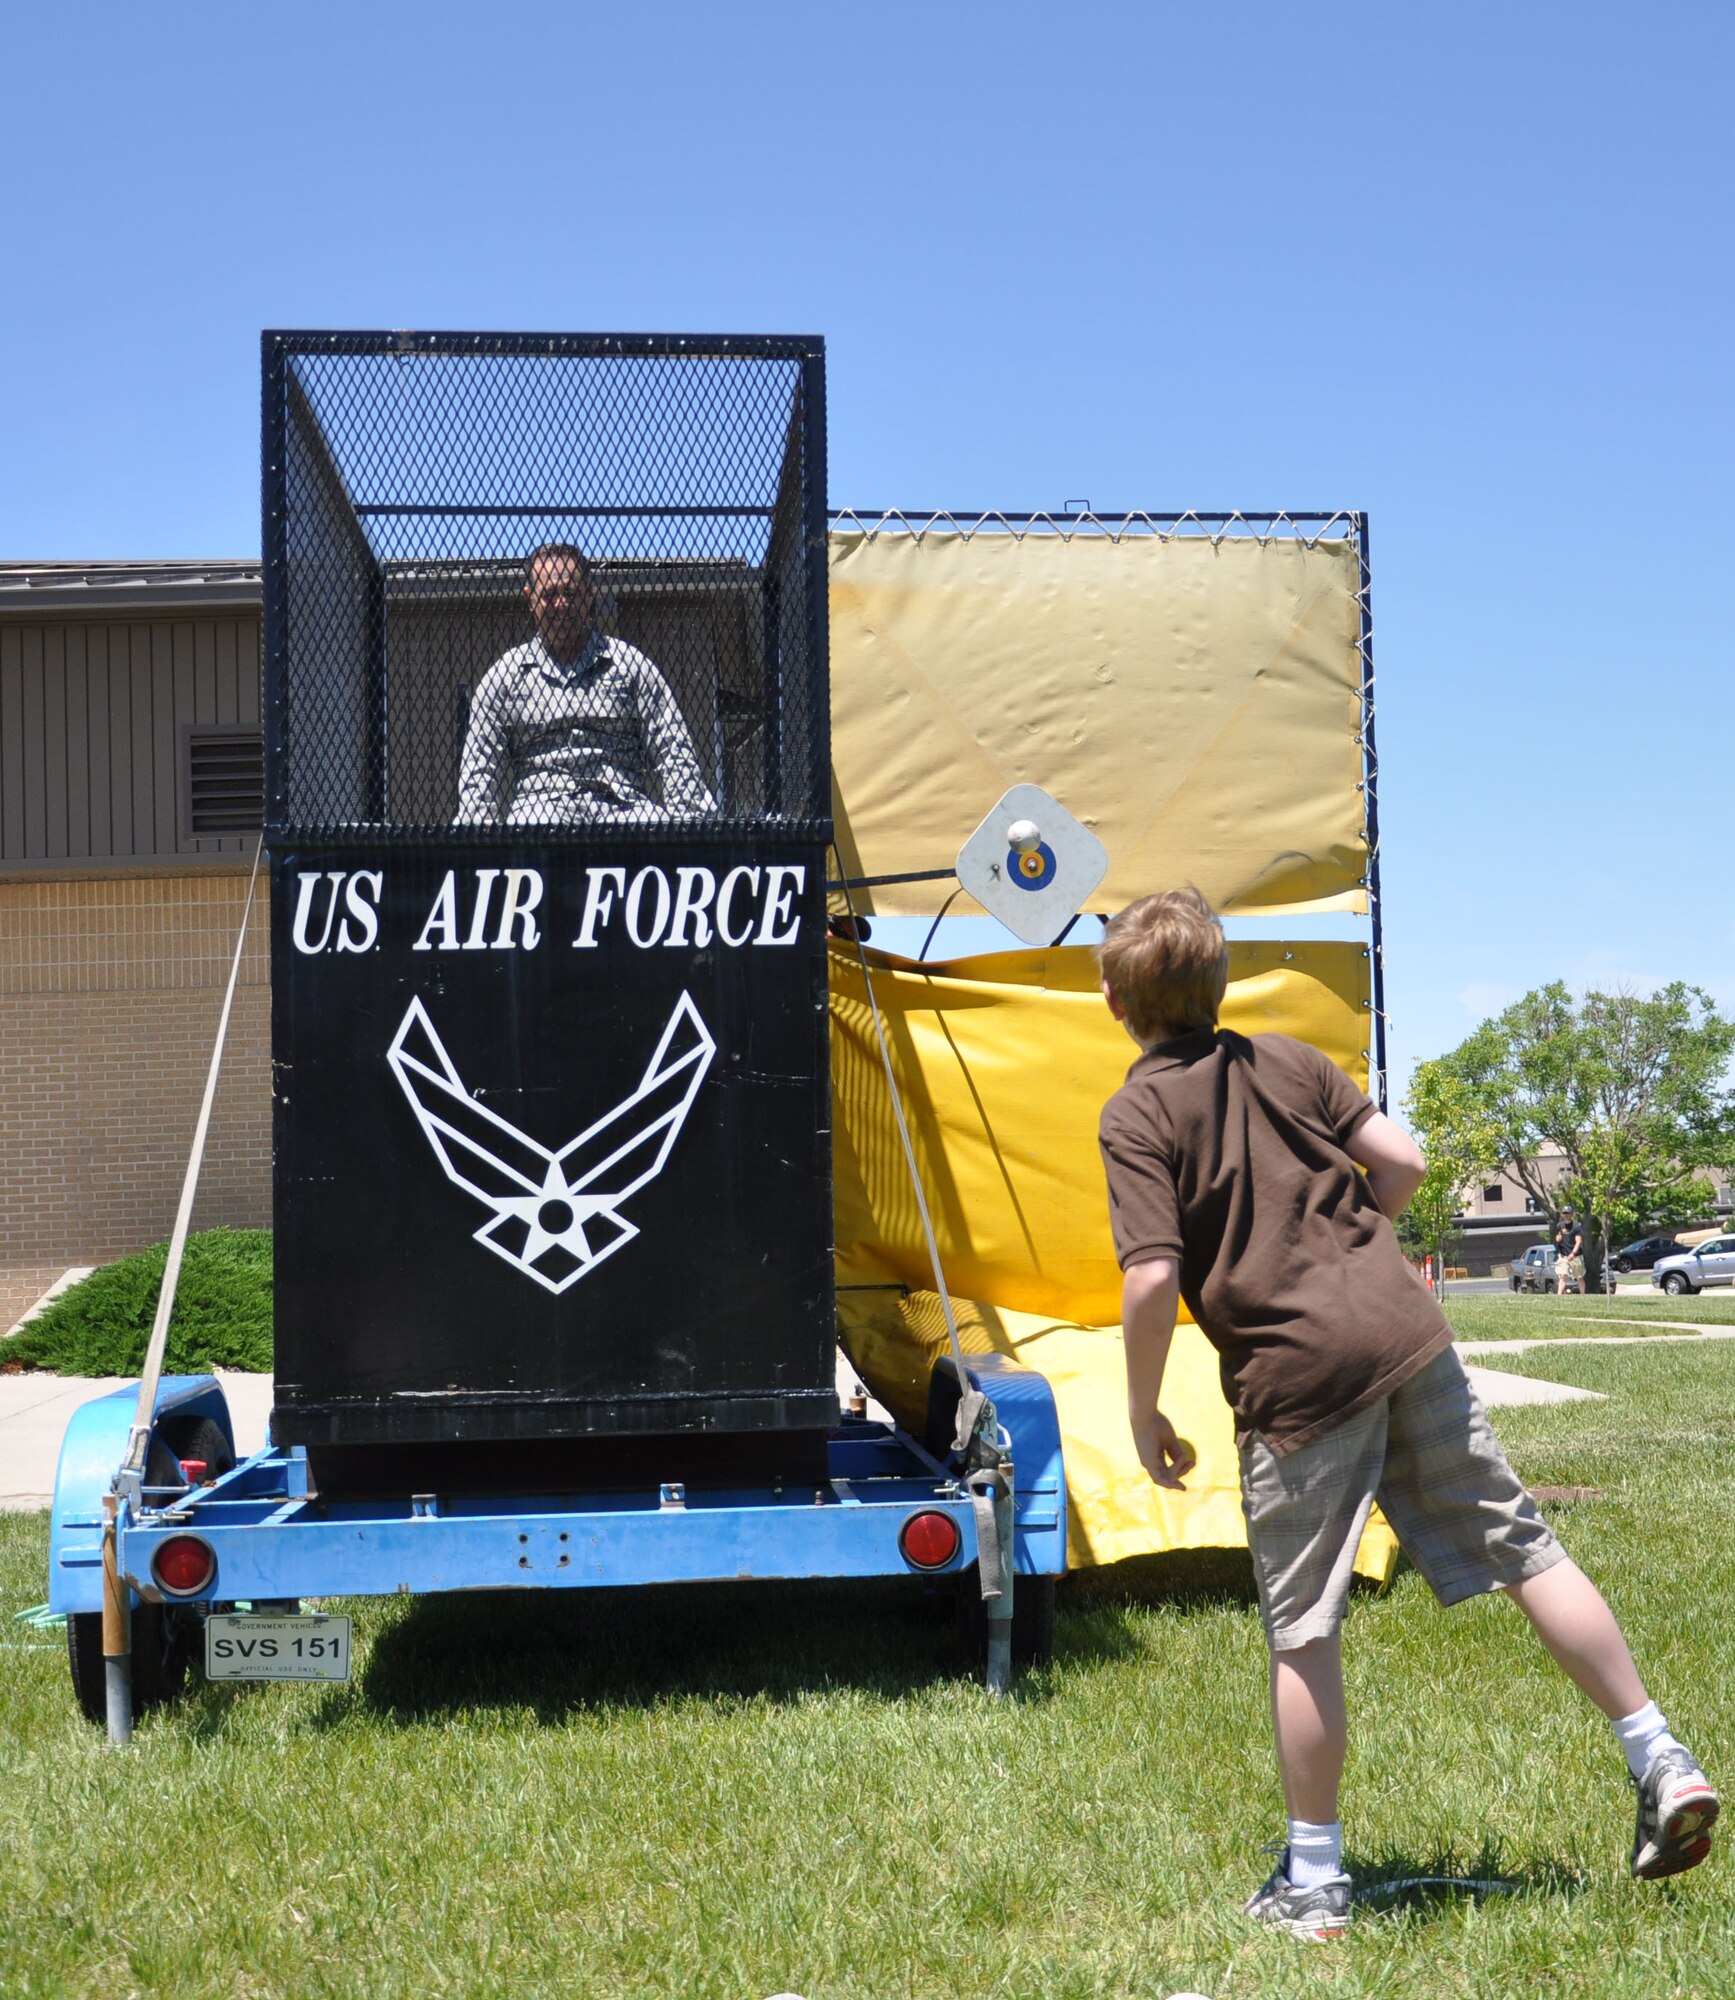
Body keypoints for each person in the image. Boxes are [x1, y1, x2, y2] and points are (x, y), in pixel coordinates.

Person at [1094, 887, 1718, 1941]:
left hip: (1297, 1378)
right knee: (1524, 1544)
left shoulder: (1137, 1111)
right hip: (1404, 1329)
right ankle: (1658, 1752)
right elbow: (1406, 1163)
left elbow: (1152, 1276)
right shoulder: (1286, 1056)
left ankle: (1315, 1878)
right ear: (1218, 982)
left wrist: (1143, 1404)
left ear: (1117, 1001)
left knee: (1304, 1624)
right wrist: (1344, 1248)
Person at [456, 542, 716, 825]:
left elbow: (673, 749)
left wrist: (693, 830)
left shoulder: (629, 666)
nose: (561, 604)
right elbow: (479, 770)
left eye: (571, 593)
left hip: (624, 808)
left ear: (589, 595)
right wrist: (476, 844)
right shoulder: (504, 678)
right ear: (530, 599)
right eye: (549, 595)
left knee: (654, 824)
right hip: (540, 812)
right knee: (531, 828)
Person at [1555, 1209, 1585, 1296]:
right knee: (1562, 1276)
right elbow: (1558, 1236)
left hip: (1576, 1255)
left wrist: (1573, 1253)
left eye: (1568, 1213)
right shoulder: (1560, 1225)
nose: (1566, 1215)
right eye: (1564, 1213)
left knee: (1579, 1277)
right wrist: (1558, 1238)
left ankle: (1583, 1295)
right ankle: (1559, 1296)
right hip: (1563, 1255)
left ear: (1571, 1214)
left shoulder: (1576, 1226)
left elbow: (1578, 1242)